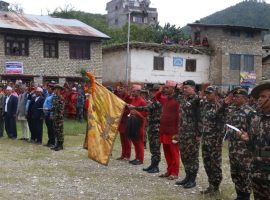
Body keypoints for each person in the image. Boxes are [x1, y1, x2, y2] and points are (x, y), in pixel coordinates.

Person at [237, 81, 270, 200]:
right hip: (256, 172)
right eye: (259, 97)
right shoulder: (256, 117)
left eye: (263, 96)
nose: (259, 99)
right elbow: (253, 146)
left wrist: (259, 153)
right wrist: (246, 139)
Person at [226, 89, 255, 200]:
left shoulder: (250, 112)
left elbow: (253, 132)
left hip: (244, 150)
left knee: (245, 173)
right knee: (235, 172)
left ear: (245, 98)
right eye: (234, 96)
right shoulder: (233, 110)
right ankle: (239, 195)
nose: (234, 98)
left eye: (237, 96)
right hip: (233, 147)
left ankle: (245, 197)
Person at [130, 84, 162, 173]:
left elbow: (146, 109)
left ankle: (155, 166)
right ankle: (153, 165)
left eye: (155, 91)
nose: (152, 93)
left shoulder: (158, 101)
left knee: (155, 148)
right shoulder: (152, 100)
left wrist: (135, 108)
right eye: (152, 91)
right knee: (152, 148)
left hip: (156, 127)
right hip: (151, 126)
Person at [174, 80, 201, 188]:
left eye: (187, 88)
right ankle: (187, 176)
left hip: (192, 134)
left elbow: (200, 117)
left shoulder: (197, 100)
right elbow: (175, 97)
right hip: (183, 133)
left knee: (192, 156)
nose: (184, 89)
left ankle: (192, 179)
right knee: (184, 155)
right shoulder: (184, 98)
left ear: (193, 88)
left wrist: (199, 134)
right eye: (184, 88)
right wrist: (177, 88)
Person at [200, 86, 224, 195]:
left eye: (210, 93)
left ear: (216, 94)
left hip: (215, 141)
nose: (207, 95)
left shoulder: (221, 105)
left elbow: (217, 115)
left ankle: (216, 188)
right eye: (206, 93)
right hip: (205, 140)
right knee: (207, 164)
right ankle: (211, 185)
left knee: (215, 165)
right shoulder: (205, 105)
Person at [155, 80, 180, 180]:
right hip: (164, 130)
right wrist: (160, 91)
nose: (165, 89)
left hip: (173, 132)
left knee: (174, 153)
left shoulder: (177, 101)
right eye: (165, 87)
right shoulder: (166, 99)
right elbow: (157, 98)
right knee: (166, 153)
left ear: (173, 89)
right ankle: (169, 171)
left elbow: (179, 117)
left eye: (167, 88)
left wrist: (178, 132)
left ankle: (175, 172)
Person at [128, 84, 147, 165]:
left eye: (134, 91)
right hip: (133, 123)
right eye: (132, 91)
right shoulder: (134, 100)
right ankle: (137, 157)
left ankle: (140, 159)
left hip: (139, 124)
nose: (132, 93)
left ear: (138, 92)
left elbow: (144, 116)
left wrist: (135, 112)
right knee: (135, 141)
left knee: (139, 142)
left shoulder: (142, 101)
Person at [114, 82, 131, 161]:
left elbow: (129, 110)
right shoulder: (120, 96)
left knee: (127, 139)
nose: (120, 89)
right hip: (121, 120)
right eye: (119, 88)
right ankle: (123, 154)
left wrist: (121, 113)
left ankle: (127, 155)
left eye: (122, 88)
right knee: (122, 139)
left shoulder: (128, 97)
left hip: (126, 120)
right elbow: (114, 95)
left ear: (125, 88)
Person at [51, 85, 65, 151]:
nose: (55, 91)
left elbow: (61, 108)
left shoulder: (61, 98)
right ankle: (57, 144)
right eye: (55, 89)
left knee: (60, 131)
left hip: (59, 117)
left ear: (59, 90)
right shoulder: (55, 97)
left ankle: (60, 145)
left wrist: (56, 111)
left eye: (56, 89)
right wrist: (50, 109)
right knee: (56, 131)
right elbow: (54, 107)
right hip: (55, 116)